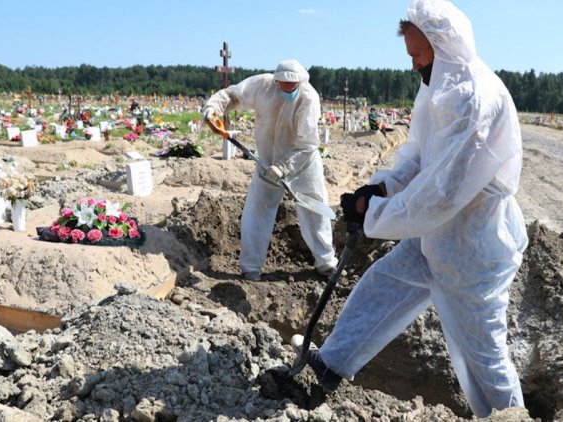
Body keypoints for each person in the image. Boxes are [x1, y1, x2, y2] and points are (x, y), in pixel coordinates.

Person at [293, 0, 528, 417]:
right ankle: (330, 365)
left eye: (418, 54)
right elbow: (420, 157)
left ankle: (510, 417)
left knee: (483, 355)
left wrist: (377, 215)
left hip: (473, 248)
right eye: (411, 55)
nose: (414, 65)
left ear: (442, 45)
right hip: (436, 237)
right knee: (382, 286)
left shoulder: (473, 98)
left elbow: (441, 193)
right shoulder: (439, 88)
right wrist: (379, 188)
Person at [202, 60, 339, 281]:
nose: (286, 89)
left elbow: (307, 145)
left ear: (299, 82)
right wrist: (212, 109)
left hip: (302, 162)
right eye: (282, 84)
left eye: (291, 86)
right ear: (276, 80)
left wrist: (284, 167)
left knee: (314, 210)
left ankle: (326, 263)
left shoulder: (308, 98)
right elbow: (233, 95)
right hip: (267, 161)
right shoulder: (263, 86)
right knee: (257, 210)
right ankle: (251, 268)